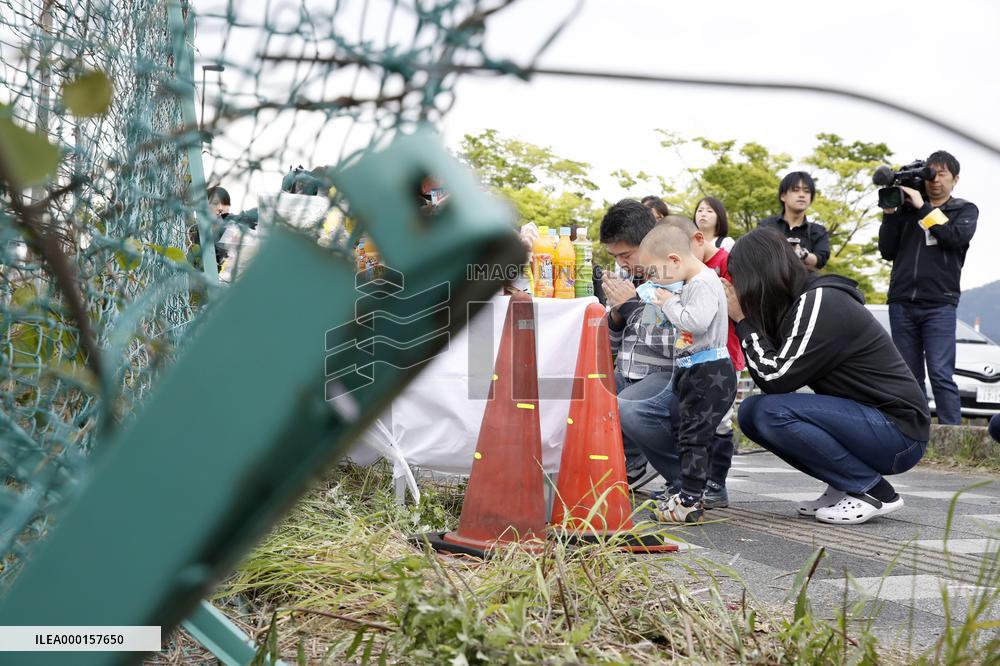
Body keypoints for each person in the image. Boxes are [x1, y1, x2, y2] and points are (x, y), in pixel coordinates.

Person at [726, 228, 930, 525]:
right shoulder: (799, 303)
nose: (739, 288)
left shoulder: (820, 300)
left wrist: (743, 320)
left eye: (739, 279)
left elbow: (775, 378)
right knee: (752, 414)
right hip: (873, 423)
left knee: (768, 412)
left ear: (759, 273)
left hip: (899, 433)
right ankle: (843, 483)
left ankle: (872, 491)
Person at [643, 215, 744, 510]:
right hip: (697, 366)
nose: (653, 279)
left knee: (695, 435)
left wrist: (668, 303)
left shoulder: (702, 282)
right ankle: (691, 490)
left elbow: (695, 322)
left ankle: (691, 496)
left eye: (654, 271)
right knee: (691, 430)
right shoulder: (695, 281)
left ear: (673, 259)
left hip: (708, 369)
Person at [878, 150, 978, 426]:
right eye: (929, 174)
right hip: (902, 302)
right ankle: (914, 432)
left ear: (955, 179)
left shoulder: (963, 210)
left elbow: (953, 238)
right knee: (908, 375)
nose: (934, 180)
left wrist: (924, 207)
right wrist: (890, 213)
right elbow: (887, 251)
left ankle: (952, 434)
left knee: (940, 373)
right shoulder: (907, 211)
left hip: (939, 303)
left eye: (941, 174)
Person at [598, 199, 675, 491]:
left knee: (628, 405)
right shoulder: (628, 278)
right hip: (631, 371)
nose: (621, 264)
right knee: (585, 393)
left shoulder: (672, 277)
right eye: (614, 256)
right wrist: (616, 318)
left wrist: (631, 307)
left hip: (669, 374)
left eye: (626, 255)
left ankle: (686, 479)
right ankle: (627, 464)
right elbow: (615, 345)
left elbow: (674, 345)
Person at [758, 172, 830, 269]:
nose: (802, 195)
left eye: (806, 191)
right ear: (783, 196)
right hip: (771, 281)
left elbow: (820, 259)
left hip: (806, 282)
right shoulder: (766, 226)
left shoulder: (818, 231)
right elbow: (757, 255)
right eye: (796, 190)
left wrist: (802, 254)